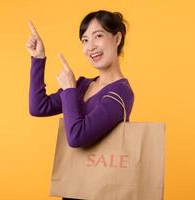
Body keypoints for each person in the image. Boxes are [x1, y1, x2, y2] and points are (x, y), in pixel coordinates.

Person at [26, 10, 134, 200]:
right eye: (84, 40)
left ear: (117, 38)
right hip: (76, 188)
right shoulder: (83, 85)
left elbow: (76, 137)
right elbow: (38, 107)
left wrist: (69, 90)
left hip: (103, 193)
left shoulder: (121, 93)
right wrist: (38, 58)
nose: (90, 46)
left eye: (98, 36)